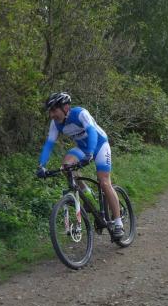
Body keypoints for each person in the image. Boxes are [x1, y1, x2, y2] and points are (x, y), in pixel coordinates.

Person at [36, 92, 124, 238]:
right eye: (50, 111)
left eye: (54, 110)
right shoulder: (55, 124)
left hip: (100, 145)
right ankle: (87, 193)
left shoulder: (80, 113)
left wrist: (90, 153)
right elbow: (49, 144)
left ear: (65, 107)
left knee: (104, 182)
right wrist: (41, 165)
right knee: (66, 167)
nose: (51, 114)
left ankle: (118, 223)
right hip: (83, 148)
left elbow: (92, 132)